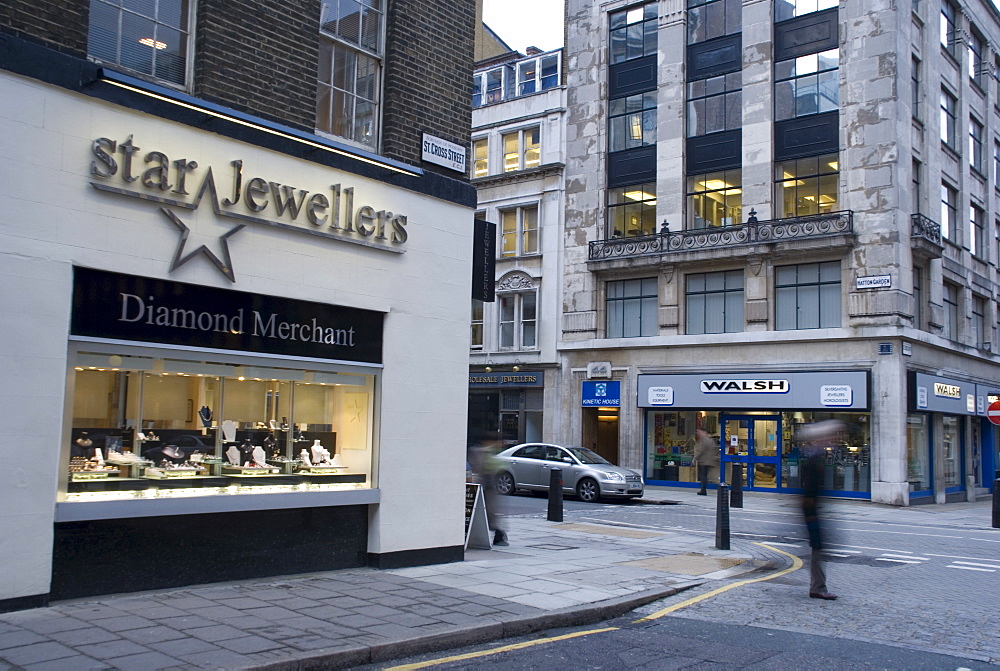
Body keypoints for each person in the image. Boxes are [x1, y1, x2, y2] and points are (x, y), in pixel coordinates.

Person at [797, 420, 842, 601]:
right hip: (811, 510)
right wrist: (812, 512)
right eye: (833, 435)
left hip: (813, 509)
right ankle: (817, 587)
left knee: (819, 548)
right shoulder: (814, 457)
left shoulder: (815, 455)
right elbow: (809, 487)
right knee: (818, 548)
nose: (835, 439)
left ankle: (818, 586)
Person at [468, 435, 508, 546]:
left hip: (487, 487)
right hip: (485, 486)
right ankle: (499, 534)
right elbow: (481, 467)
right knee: (490, 512)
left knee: (490, 513)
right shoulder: (481, 452)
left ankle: (499, 534)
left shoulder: (488, 452)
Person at [691, 429, 719, 495]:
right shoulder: (710, 439)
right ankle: (703, 489)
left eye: (698, 431)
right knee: (705, 475)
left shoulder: (703, 439)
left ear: (703, 432)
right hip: (709, 460)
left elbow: (700, 450)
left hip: (704, 460)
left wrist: (694, 458)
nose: (697, 433)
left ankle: (703, 490)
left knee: (703, 475)